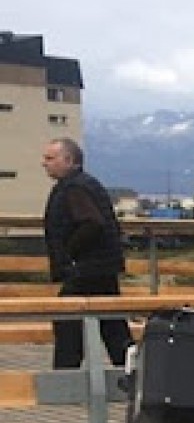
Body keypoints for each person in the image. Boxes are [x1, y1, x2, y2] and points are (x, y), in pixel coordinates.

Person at [41, 138, 133, 369]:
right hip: (101, 266)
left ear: (69, 160)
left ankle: (65, 376)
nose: (44, 163)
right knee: (112, 325)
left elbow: (92, 223)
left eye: (50, 158)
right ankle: (131, 372)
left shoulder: (74, 188)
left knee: (68, 321)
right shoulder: (82, 184)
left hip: (86, 269)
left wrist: (68, 254)